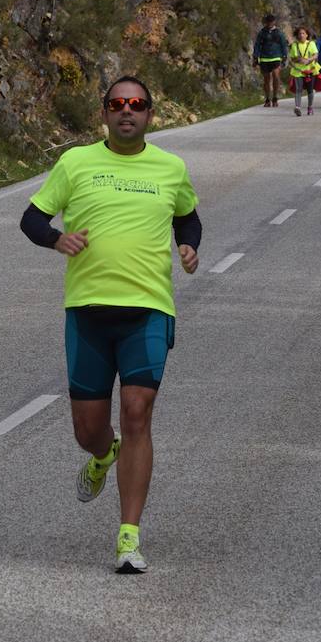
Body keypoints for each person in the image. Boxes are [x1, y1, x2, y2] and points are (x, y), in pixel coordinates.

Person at [20, 76, 201, 575]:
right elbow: (31, 218)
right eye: (118, 104)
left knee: (137, 411)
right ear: (104, 113)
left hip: (147, 309)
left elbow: (188, 217)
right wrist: (56, 240)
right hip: (88, 312)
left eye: (137, 104)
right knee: (89, 430)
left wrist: (189, 245)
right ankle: (104, 456)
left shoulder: (170, 167)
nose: (128, 111)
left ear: (150, 114)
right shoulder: (76, 163)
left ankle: (128, 536)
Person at [252, 14, 287, 108]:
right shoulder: (262, 33)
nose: (269, 23)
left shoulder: (279, 33)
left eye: (271, 21)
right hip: (264, 58)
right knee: (266, 79)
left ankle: (275, 97)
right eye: (268, 21)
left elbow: (283, 44)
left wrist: (284, 56)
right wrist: (255, 57)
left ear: (274, 22)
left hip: (276, 57)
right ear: (266, 22)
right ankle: (268, 98)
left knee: (276, 76)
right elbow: (257, 45)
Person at [288, 26, 320, 116]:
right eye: (299, 34)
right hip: (298, 71)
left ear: (307, 35)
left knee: (310, 90)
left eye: (303, 33)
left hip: (310, 70)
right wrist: (299, 60)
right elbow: (292, 58)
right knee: (298, 89)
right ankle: (297, 107)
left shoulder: (311, 44)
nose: (301, 35)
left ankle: (310, 107)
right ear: (297, 35)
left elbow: (316, 55)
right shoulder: (294, 45)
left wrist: (309, 60)